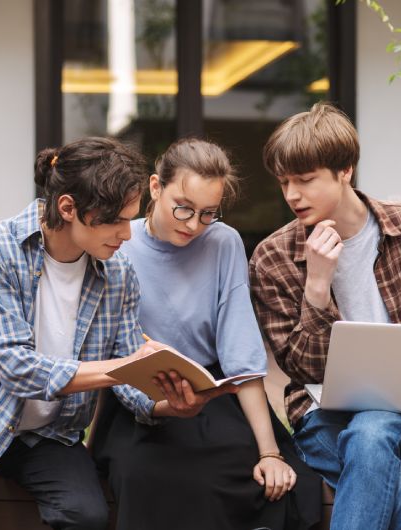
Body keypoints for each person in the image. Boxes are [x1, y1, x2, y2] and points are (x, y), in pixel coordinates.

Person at [0, 136, 179, 530]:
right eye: (115, 220)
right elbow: (18, 369)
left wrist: (165, 405)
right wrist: (124, 368)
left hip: (49, 435)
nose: (127, 234)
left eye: (129, 219)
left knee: (88, 517)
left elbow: (128, 359)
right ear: (67, 208)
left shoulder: (118, 273)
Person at [91, 138, 322, 530]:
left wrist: (269, 452)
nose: (193, 225)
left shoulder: (223, 241)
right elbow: (109, 355)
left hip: (212, 391)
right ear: (155, 188)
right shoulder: (120, 245)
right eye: (183, 208)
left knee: (250, 473)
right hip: (140, 398)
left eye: (207, 213)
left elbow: (241, 352)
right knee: (145, 475)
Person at [248, 102, 401, 530]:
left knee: (371, 430)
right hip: (322, 417)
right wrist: (317, 285)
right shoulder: (273, 257)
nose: (292, 195)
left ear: (345, 171)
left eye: (305, 180)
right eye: (284, 182)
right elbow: (302, 368)